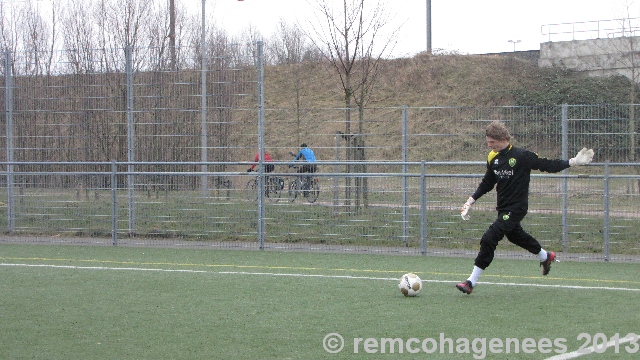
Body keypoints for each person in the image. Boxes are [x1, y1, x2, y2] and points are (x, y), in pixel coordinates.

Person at [456, 121, 594, 295]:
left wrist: (573, 162)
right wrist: (470, 201)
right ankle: (546, 256)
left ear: (503, 138)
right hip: (503, 209)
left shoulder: (522, 156)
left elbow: (547, 165)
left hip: (517, 208)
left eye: (492, 142)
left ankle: (470, 282)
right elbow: (487, 183)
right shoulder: (493, 157)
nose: (489, 146)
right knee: (515, 236)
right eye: (488, 142)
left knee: (489, 237)